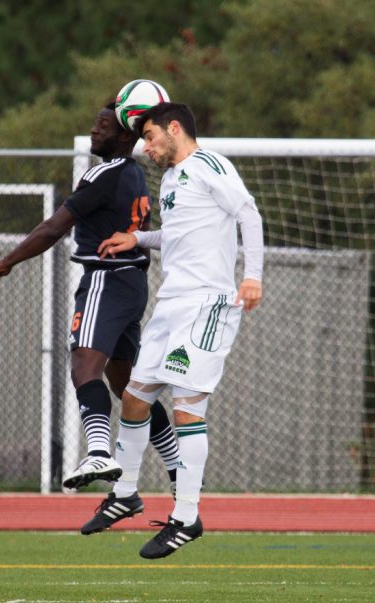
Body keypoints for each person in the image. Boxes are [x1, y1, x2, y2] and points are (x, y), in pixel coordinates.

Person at [0, 100, 180, 526]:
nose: (94, 130)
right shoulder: (134, 174)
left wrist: (8, 260)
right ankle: (177, 473)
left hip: (105, 279)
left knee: (83, 367)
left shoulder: (105, 172)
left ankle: (96, 452)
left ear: (125, 135)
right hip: (132, 284)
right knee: (132, 389)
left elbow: (53, 227)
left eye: (103, 125)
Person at [97, 102, 264, 559]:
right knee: (134, 397)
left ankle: (186, 517)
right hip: (171, 304)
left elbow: (249, 215)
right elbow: (178, 236)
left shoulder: (210, 165)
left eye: (149, 136)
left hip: (207, 304)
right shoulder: (171, 179)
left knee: (187, 409)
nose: (145, 147)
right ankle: (125, 493)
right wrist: (138, 238)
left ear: (174, 129)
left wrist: (253, 276)